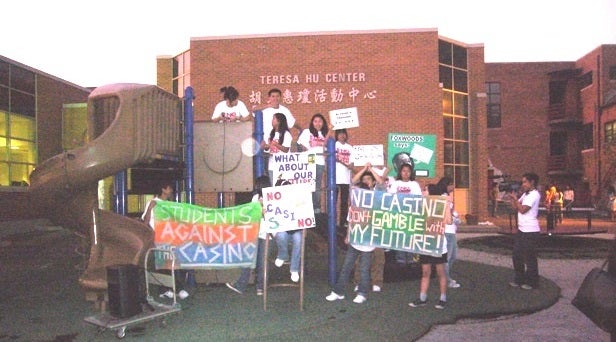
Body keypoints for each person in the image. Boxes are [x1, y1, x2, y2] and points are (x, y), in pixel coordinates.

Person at [325, 164, 386, 304]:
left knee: (364, 269)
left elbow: (381, 183)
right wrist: (348, 235)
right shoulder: (355, 205)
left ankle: (362, 293)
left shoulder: (376, 201)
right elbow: (350, 221)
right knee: (346, 267)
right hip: (355, 241)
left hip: (368, 243)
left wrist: (371, 170)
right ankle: (338, 291)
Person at [141, 181, 189, 300]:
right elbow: (145, 222)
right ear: (163, 189)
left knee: (176, 263)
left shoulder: (170, 205)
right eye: (169, 187)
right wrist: (150, 209)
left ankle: (178, 288)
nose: (171, 190)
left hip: (171, 238)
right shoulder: (152, 203)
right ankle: (165, 290)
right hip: (159, 239)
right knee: (163, 264)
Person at [226, 175, 271, 295]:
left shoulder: (272, 197)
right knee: (249, 259)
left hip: (266, 233)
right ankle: (242, 285)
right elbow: (252, 214)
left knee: (262, 262)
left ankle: (260, 287)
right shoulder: (256, 197)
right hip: (255, 233)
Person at [408, 183, 449, 310]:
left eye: (425, 190)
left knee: (440, 272)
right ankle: (422, 298)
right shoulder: (421, 205)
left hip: (438, 244)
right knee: (425, 272)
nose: (422, 191)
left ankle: (443, 298)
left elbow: (449, 221)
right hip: (425, 243)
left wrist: (446, 206)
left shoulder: (442, 205)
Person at [351, 163, 387, 293]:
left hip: (376, 229)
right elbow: (353, 180)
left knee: (378, 257)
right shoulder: (357, 192)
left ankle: (376, 282)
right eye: (364, 180)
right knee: (359, 258)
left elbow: (381, 182)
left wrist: (371, 169)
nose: (365, 181)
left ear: (372, 183)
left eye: (368, 179)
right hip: (362, 230)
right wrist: (364, 169)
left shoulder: (378, 192)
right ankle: (358, 282)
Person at [508, 172, 541, 290]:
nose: (523, 184)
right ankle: (519, 279)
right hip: (522, 230)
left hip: (530, 230)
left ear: (532, 182)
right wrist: (513, 199)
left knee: (530, 257)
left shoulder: (534, 195)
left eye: (525, 182)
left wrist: (516, 200)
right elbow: (515, 207)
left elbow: (522, 210)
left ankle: (533, 282)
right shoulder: (526, 194)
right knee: (516, 255)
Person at [388, 162, 423, 264]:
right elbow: (390, 198)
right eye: (404, 171)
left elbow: (418, 200)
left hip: (411, 216)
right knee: (400, 238)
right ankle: (401, 260)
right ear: (400, 172)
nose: (406, 173)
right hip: (398, 216)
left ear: (411, 173)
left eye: (408, 171)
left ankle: (411, 260)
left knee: (410, 238)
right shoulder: (395, 184)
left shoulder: (414, 184)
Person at [297, 113, 332, 214]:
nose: (318, 123)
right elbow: (301, 146)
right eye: (315, 121)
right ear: (312, 122)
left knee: (317, 186)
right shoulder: (307, 132)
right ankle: (306, 207)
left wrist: (330, 131)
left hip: (320, 161)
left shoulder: (324, 133)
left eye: (320, 121)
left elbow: (325, 145)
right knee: (307, 184)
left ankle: (316, 208)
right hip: (309, 159)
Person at [273, 179, 303, 282]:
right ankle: (283, 255)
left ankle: (294, 269)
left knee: (298, 239)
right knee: (281, 235)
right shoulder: (274, 201)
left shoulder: (297, 199)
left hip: (295, 230)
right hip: (281, 229)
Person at [436, 176, 461, 289]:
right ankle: (446, 279)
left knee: (452, 256)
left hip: (451, 230)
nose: (453, 186)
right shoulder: (443, 197)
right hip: (446, 231)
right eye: (451, 184)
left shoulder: (448, 197)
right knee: (447, 257)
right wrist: (453, 217)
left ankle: (445, 276)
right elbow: (444, 214)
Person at [261, 113, 292, 182]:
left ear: (279, 121)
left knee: (282, 185)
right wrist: (265, 146)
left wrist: (276, 144)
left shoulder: (286, 134)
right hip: (272, 164)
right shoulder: (271, 133)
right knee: (273, 185)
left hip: (282, 165)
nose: (272, 121)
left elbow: (286, 149)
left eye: (274, 119)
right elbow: (268, 149)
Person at [334, 129, 353, 234]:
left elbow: (352, 165)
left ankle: (342, 223)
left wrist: (342, 161)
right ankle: (333, 222)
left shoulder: (350, 148)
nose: (342, 136)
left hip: (346, 179)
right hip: (335, 178)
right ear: (337, 135)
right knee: (334, 201)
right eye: (340, 134)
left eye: (343, 134)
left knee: (344, 202)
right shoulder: (334, 145)